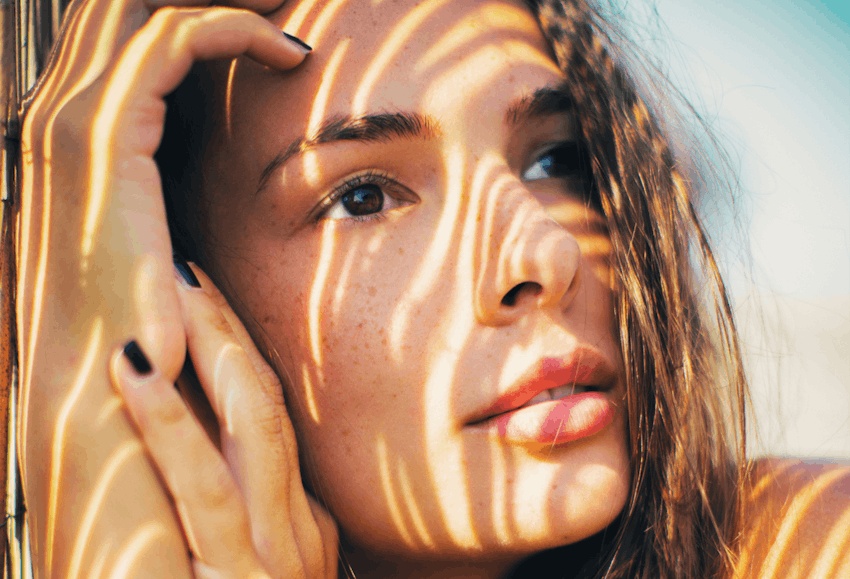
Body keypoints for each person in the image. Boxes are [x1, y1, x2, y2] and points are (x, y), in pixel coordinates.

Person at [14, 0, 849, 578]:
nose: (543, 253)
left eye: (557, 159)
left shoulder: (803, 543)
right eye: (364, 197)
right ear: (189, 299)